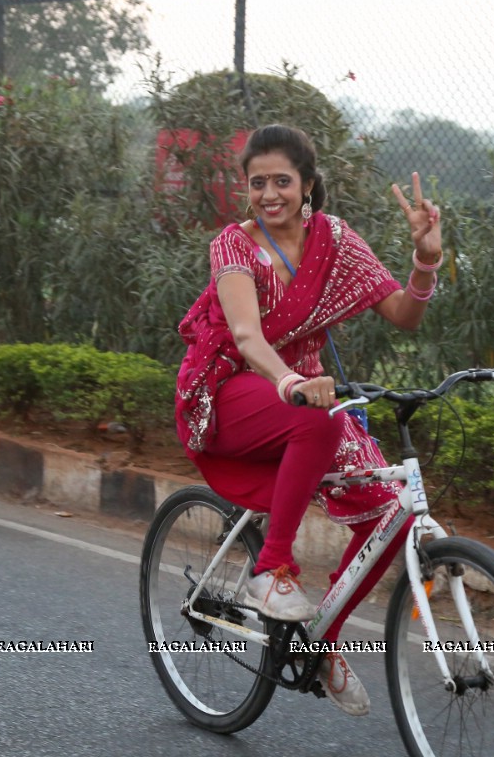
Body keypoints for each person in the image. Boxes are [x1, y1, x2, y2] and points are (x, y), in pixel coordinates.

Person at [175, 124, 442, 717]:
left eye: (282, 182)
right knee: (317, 426)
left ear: (308, 186)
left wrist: (425, 258)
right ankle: (271, 569)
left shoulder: (337, 241)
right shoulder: (234, 245)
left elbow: (402, 313)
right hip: (229, 389)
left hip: (305, 397)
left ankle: (322, 637)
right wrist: (290, 382)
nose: (270, 194)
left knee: (391, 516)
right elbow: (245, 335)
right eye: (257, 183)